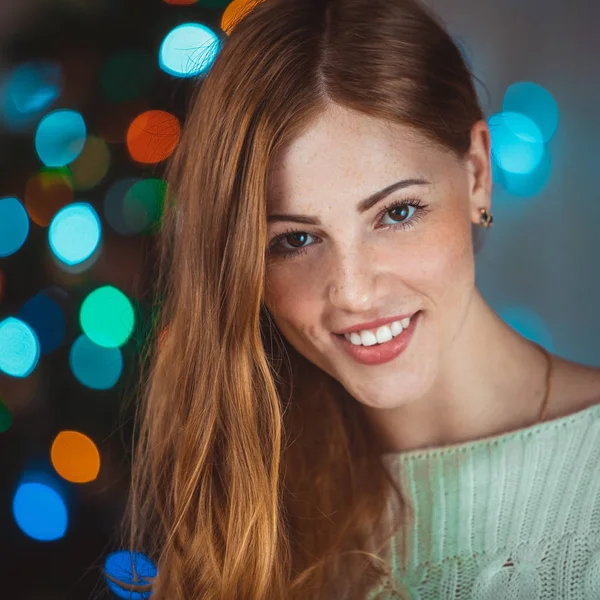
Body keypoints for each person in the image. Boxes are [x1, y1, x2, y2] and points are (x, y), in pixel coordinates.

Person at [116, 0, 600, 598]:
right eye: (294, 239)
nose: (354, 291)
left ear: (476, 172)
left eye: (397, 213)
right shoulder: (248, 514)